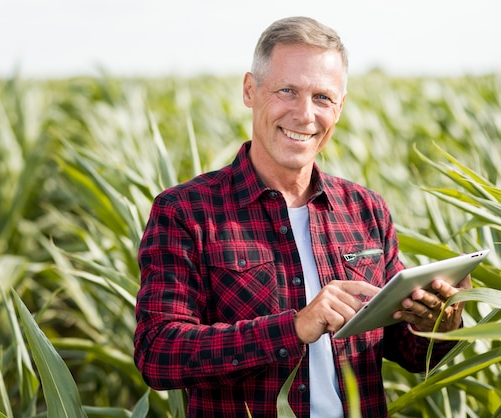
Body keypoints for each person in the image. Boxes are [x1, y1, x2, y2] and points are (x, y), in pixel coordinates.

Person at [133, 16, 470, 418]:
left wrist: (443, 323)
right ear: (250, 91)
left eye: (322, 97)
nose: (305, 114)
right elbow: (158, 351)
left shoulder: (365, 210)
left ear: (340, 107)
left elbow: (410, 352)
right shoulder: (186, 211)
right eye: (287, 91)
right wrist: (293, 327)